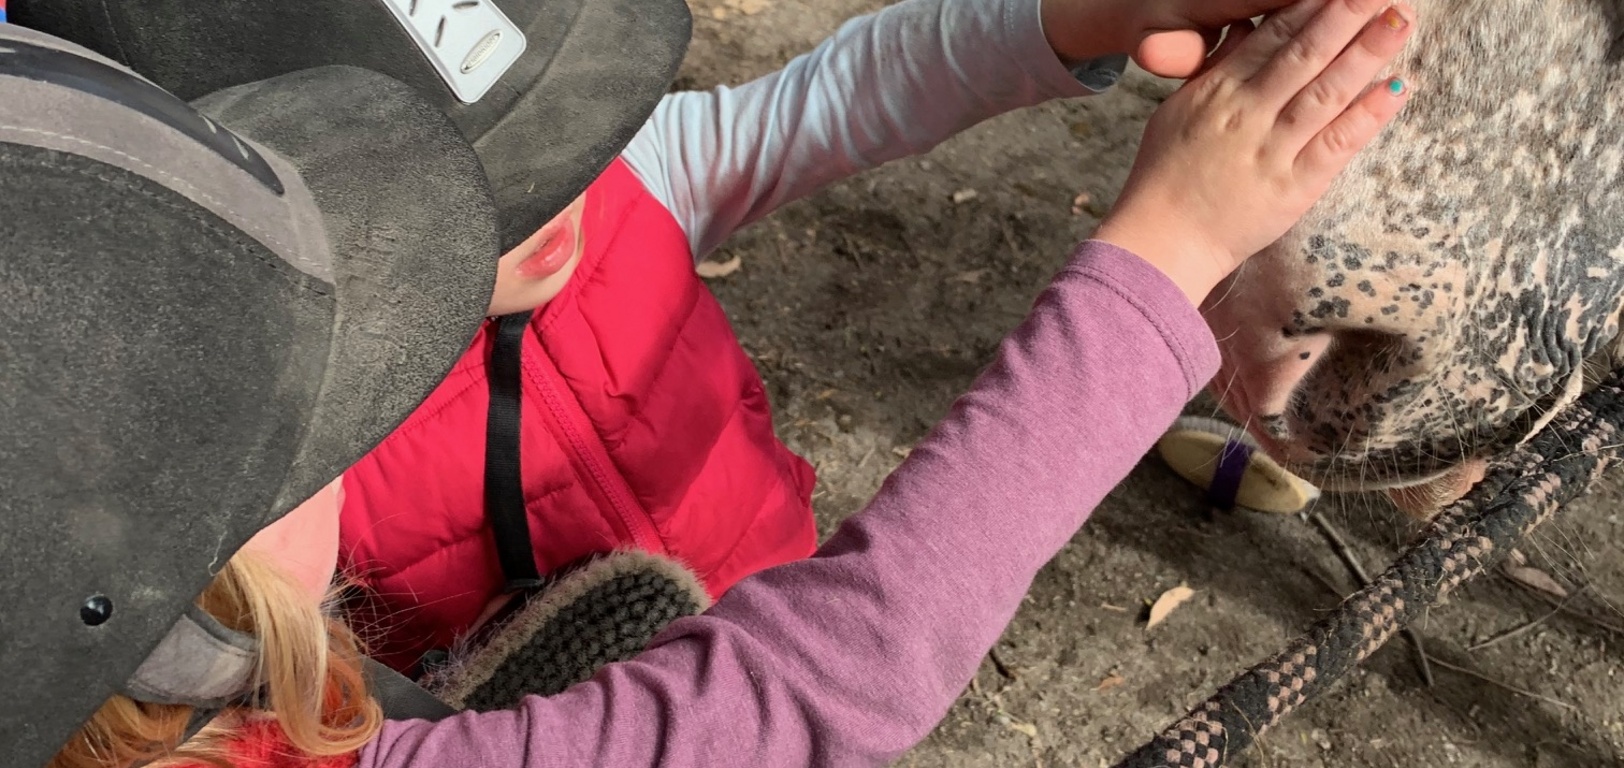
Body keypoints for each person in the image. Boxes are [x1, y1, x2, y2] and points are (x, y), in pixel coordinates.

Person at [5, 0, 1416, 765]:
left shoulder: (613, 203)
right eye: (425, 225)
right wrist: (1163, 257)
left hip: (747, 607)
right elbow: (826, 687)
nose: (570, 178)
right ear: (169, 596)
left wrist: (1074, 20)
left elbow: (837, 100)